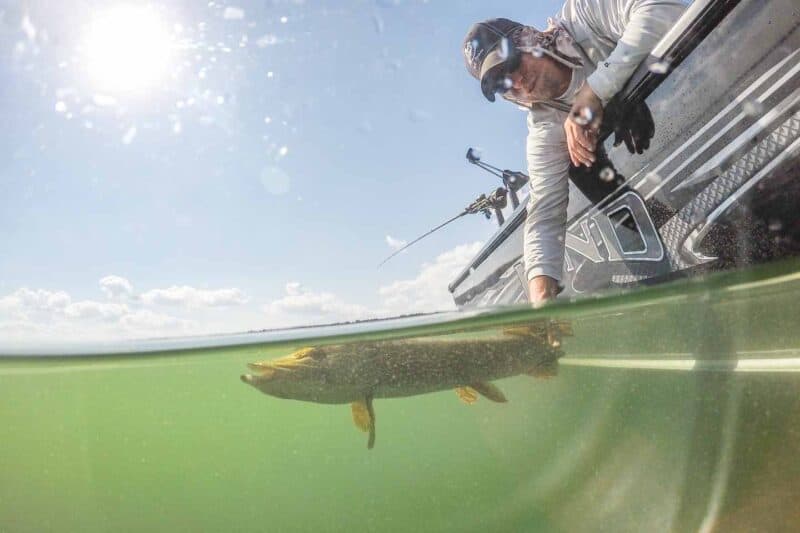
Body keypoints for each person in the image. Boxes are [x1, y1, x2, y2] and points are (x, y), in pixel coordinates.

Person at [462, 0, 686, 306]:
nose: (517, 82)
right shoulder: (543, 130)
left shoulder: (585, 12)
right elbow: (543, 217)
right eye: (502, 83)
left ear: (529, 38)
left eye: (513, 63)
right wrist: (542, 306)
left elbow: (666, 11)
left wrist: (595, 91)